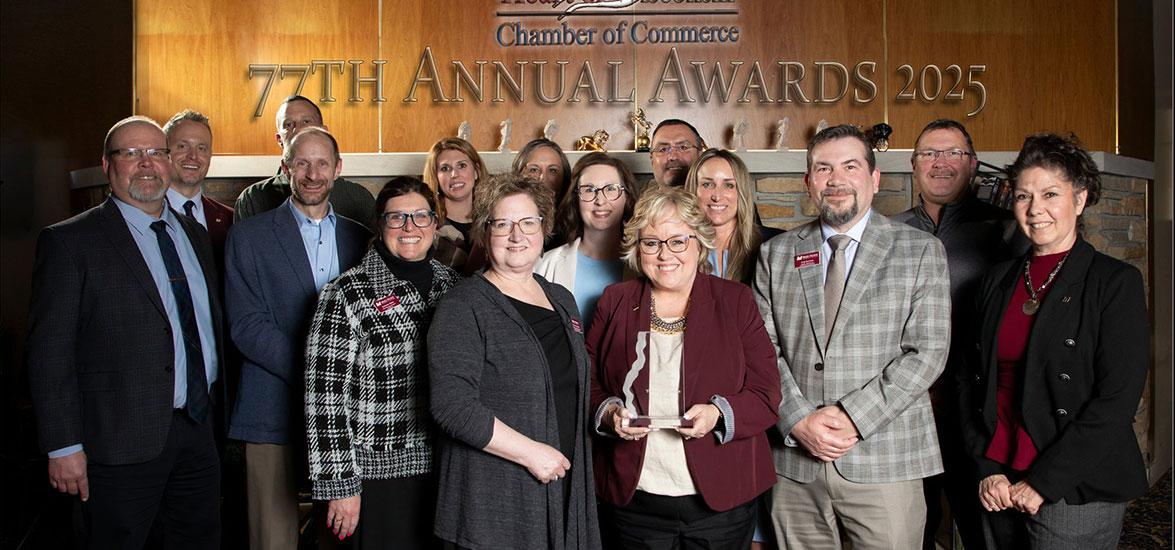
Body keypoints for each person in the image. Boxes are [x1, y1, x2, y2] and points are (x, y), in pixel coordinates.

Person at [27, 116, 223, 547]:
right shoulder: (70, 242)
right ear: (107, 164)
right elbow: (49, 353)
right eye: (131, 153)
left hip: (197, 429)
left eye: (156, 152)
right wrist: (62, 446)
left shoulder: (193, 234)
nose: (146, 163)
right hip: (117, 441)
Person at [754, 124, 951, 549]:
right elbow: (762, 350)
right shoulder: (776, 253)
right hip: (795, 465)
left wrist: (853, 417)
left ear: (875, 179)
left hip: (886, 458)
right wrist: (799, 420)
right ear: (808, 182)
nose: (836, 179)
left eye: (850, 166)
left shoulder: (919, 251)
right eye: (823, 168)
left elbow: (928, 352)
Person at [959, 133, 1149, 550]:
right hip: (999, 481)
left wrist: (1044, 482)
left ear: (1079, 201)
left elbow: (1116, 399)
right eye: (1024, 196)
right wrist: (985, 467)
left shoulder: (1114, 283)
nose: (1035, 209)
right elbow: (969, 380)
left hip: (1073, 484)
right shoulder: (997, 280)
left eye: (1050, 194)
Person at [587, 186, 782, 548]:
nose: (665, 254)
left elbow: (766, 393)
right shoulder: (615, 302)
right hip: (634, 500)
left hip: (720, 500)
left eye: (678, 241)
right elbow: (588, 384)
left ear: (699, 243)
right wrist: (610, 413)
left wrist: (717, 413)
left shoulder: (735, 301)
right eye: (651, 243)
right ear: (637, 248)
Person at [427, 174, 601, 549]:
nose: (516, 235)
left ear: (544, 228)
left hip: (562, 485)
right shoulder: (464, 305)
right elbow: (451, 407)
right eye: (502, 224)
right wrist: (531, 453)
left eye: (528, 222)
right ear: (484, 231)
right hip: (493, 501)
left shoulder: (560, 298)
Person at [225, 126, 371, 550]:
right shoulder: (248, 237)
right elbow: (247, 326)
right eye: (301, 162)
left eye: (322, 163)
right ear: (286, 167)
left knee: (343, 535)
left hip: (347, 420)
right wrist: (318, 373)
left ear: (338, 169)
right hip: (271, 407)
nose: (312, 173)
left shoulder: (362, 238)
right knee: (272, 539)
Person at [892, 118, 1028, 550]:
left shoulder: (1009, 230)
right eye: (930, 153)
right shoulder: (888, 233)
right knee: (911, 529)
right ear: (913, 165)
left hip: (980, 412)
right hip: (908, 410)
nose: (941, 162)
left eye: (954, 152)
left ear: (973, 164)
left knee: (986, 530)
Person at [305, 176, 461, 549]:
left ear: (435, 224)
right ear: (380, 225)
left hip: (445, 471)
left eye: (420, 216)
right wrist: (340, 486)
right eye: (397, 218)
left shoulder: (455, 286)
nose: (410, 228)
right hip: (376, 479)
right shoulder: (346, 293)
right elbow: (324, 401)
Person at [233, 95, 374, 225]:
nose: (298, 130)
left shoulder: (357, 198)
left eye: (306, 121)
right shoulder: (253, 200)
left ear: (324, 131)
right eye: (288, 125)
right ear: (279, 139)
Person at [534, 152, 637, 329]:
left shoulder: (644, 266)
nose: (600, 200)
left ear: (627, 197)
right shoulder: (544, 265)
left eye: (611, 188)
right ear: (575, 199)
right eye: (589, 190)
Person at [683, 148, 782, 284]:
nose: (717, 196)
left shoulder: (775, 245)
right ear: (693, 190)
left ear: (741, 192)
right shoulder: (678, 247)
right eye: (707, 184)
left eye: (729, 185)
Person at [162, 109, 234, 268]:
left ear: (210, 156)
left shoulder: (231, 220)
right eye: (182, 146)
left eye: (202, 148)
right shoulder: (145, 214)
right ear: (165, 153)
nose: (193, 156)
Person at [423, 137, 490, 273]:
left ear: (476, 171)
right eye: (445, 168)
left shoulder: (495, 220)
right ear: (436, 177)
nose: (454, 174)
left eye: (462, 165)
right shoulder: (425, 225)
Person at [514, 138, 574, 249]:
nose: (543, 179)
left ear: (564, 179)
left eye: (553, 170)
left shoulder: (575, 227)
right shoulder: (503, 220)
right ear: (518, 175)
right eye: (534, 170)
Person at [649, 119, 705, 188]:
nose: (673, 157)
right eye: (663, 149)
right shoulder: (640, 198)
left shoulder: (716, 197)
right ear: (651, 159)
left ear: (700, 155)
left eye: (683, 147)